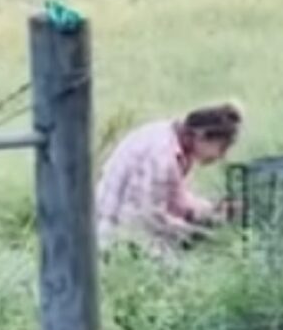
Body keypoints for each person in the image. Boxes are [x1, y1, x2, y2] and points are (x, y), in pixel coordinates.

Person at [96, 102, 243, 254]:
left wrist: (213, 210)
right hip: (115, 238)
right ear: (202, 135)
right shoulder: (161, 154)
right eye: (222, 147)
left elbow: (176, 199)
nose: (221, 156)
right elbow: (147, 219)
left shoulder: (177, 145)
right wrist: (205, 236)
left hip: (134, 232)